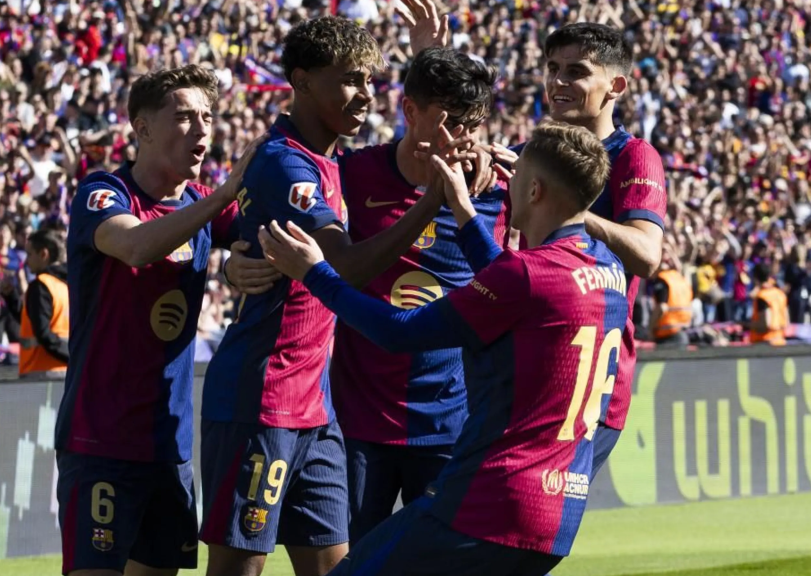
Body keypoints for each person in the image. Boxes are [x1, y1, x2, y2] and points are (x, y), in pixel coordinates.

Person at [259, 121, 626, 576]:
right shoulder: (607, 266)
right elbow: (515, 289)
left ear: (534, 191)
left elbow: (400, 332)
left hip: (489, 503)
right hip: (557, 515)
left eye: (517, 180)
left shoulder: (528, 276)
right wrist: (463, 210)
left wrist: (315, 273)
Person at [200, 16, 472, 576]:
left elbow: (235, 226)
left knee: (338, 570)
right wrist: (431, 203)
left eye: (371, 80)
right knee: (238, 570)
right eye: (350, 79)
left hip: (317, 409)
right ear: (301, 81)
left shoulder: (333, 164)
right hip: (262, 397)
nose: (365, 95)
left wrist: (235, 259)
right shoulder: (284, 161)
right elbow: (341, 266)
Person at [53, 65, 262, 576]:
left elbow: (262, 241)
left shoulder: (200, 206)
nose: (202, 130)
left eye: (208, 117)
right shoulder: (104, 192)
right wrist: (221, 198)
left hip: (168, 446)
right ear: (142, 129)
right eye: (185, 116)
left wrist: (241, 263)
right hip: (100, 438)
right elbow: (136, 245)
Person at [490, 22, 667, 480]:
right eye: (552, 69)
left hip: (589, 382)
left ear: (616, 86)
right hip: (519, 364)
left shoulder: (633, 156)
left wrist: (562, 202)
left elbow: (647, 255)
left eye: (576, 71)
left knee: (524, 524)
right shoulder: (528, 154)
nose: (558, 82)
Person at [16, 229, 68, 378]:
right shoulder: (68, 285)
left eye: (30, 254)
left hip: (40, 376)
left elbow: (43, 333)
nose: (27, 261)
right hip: (66, 372)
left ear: (43, 254)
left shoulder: (41, 286)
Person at [650, 245, 693, 349]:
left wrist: (650, 329)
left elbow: (662, 307)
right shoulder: (679, 278)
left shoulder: (662, 280)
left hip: (667, 336)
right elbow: (679, 267)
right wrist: (670, 251)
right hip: (683, 333)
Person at [749, 263, 789, 346]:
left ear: (755, 279)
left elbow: (765, 324)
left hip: (764, 343)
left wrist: (744, 325)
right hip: (780, 341)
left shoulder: (762, 297)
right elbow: (786, 321)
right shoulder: (780, 294)